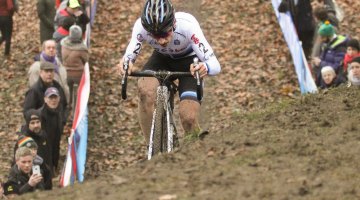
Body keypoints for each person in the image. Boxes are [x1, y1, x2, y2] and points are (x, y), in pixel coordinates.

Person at [117, 0, 221, 143]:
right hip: (162, 60)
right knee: (144, 91)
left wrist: (205, 67)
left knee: (188, 118)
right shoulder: (141, 27)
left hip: (189, 63)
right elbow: (129, 57)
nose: (161, 41)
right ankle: (151, 148)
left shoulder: (188, 26)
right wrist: (126, 64)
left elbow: (215, 65)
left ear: (173, 23)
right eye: (155, 35)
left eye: (165, 34)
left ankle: (197, 150)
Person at [311, 21, 347, 86]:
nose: (321, 40)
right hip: (324, 80)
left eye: (323, 37)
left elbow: (337, 66)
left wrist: (320, 63)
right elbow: (324, 59)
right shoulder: (327, 44)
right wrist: (318, 61)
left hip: (333, 83)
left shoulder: (340, 48)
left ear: (329, 36)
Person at [37, 87, 64, 173]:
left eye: (55, 97)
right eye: (50, 98)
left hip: (55, 146)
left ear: (59, 99)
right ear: (45, 99)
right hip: (42, 149)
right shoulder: (39, 114)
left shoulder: (59, 112)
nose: (53, 100)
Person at [61, 24, 89, 106]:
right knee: (79, 92)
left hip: (66, 72)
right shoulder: (82, 49)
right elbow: (86, 60)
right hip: (78, 74)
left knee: (68, 90)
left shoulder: (64, 45)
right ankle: (77, 106)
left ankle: (68, 104)